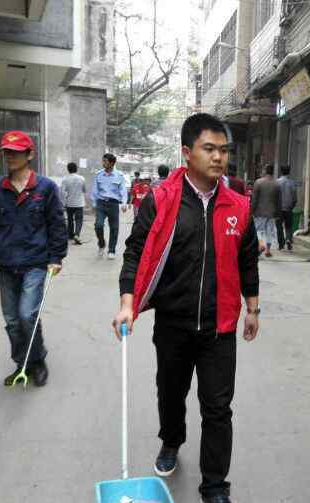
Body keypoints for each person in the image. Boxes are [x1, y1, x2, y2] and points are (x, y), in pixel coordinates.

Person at [112, 113, 260, 503]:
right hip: (173, 324)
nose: (218, 158)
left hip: (220, 327)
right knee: (170, 393)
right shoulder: (162, 201)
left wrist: (253, 307)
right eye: (209, 149)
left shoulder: (238, 206)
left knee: (218, 409)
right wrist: (128, 303)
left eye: (223, 150)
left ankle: (215, 486)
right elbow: (135, 252)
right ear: (186, 153)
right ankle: (171, 440)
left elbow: (247, 259)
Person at [0, 131, 67, 387]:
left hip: (36, 263)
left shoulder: (46, 188)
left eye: (16, 152)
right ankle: (22, 363)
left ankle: (37, 360)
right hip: (7, 264)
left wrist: (56, 257)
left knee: (27, 314)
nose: (11, 157)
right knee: (12, 320)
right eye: (7, 152)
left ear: (30, 155)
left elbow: (56, 225)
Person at [90, 153, 128, 259]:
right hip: (101, 203)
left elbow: (123, 191)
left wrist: (124, 203)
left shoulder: (119, 176)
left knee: (114, 228)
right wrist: (94, 204)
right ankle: (101, 244)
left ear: (111, 163)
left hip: (113, 204)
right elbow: (95, 190)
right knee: (98, 225)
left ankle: (111, 250)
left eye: (105, 161)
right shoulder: (99, 174)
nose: (103, 163)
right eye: (103, 161)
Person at [250, 164, 281, 257]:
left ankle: (260, 245)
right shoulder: (277, 184)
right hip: (272, 213)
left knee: (259, 230)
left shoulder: (258, 182)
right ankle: (268, 250)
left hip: (259, 212)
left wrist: (251, 210)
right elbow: (279, 201)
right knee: (269, 231)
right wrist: (278, 213)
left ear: (265, 171)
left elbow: (254, 199)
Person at [61, 162, 86, 245]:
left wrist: (63, 202)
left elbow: (63, 192)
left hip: (69, 203)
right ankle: (77, 235)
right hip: (79, 203)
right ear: (76, 169)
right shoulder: (82, 178)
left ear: (68, 169)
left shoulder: (65, 179)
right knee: (79, 220)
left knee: (70, 219)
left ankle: (70, 235)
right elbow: (84, 190)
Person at [276, 164, 298, 251]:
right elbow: (295, 198)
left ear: (281, 172)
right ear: (289, 172)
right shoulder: (292, 183)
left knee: (279, 227)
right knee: (288, 226)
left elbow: (275, 196)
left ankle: (281, 244)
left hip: (279, 209)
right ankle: (288, 239)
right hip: (289, 208)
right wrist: (292, 206)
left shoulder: (277, 182)